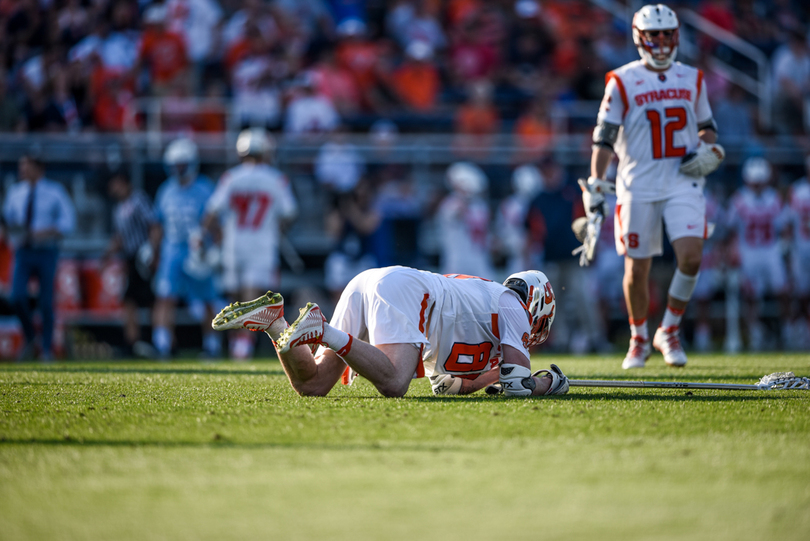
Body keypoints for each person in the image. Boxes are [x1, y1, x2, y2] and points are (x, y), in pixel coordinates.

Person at [583, 4, 725, 369]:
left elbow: (707, 125)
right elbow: (604, 138)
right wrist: (598, 180)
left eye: (666, 34)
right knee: (637, 268)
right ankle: (639, 338)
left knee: (692, 256)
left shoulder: (692, 78)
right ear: (639, 37)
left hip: (682, 178)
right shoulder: (621, 79)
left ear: (676, 35)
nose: (661, 41)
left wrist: (709, 146)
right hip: (637, 182)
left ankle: (670, 329)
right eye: (653, 34)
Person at [211, 267, 569, 399]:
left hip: (380, 282)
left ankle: (275, 322)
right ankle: (321, 329)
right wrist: (550, 383)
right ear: (537, 305)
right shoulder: (511, 305)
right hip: (405, 289)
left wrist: (479, 382)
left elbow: (453, 384)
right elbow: (518, 385)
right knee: (395, 383)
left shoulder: (491, 304)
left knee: (314, 384)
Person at [202, 128, 298, 360]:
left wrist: (206, 236)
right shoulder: (276, 178)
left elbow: (212, 213)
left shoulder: (231, 177)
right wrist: (277, 227)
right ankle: (243, 345)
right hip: (262, 244)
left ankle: (238, 343)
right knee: (252, 297)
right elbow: (289, 213)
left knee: (234, 298)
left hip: (235, 244)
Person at [151, 137, 221, 359]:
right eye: (175, 165)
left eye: (182, 165)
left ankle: (211, 345)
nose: (179, 170)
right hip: (172, 248)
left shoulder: (204, 188)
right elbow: (158, 224)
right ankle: (162, 345)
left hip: (197, 251)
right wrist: (153, 250)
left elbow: (215, 221)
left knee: (206, 298)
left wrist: (216, 248)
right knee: (165, 297)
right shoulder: (166, 190)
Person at [2, 153, 75, 361]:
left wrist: (47, 231)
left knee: (45, 302)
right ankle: (30, 337)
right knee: (16, 297)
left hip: (46, 250)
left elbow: (68, 223)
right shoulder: (15, 192)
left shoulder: (55, 192)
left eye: (27, 166)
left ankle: (46, 350)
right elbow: (8, 220)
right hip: (22, 251)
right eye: (21, 166)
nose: (22, 170)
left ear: (39, 168)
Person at [726, 157, 790, 351]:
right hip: (749, 251)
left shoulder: (774, 198)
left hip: (771, 249)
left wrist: (785, 248)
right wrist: (733, 249)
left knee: (783, 291)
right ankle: (755, 332)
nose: (757, 186)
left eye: (760, 182)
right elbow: (731, 229)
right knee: (751, 295)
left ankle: (787, 330)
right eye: (755, 182)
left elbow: (785, 226)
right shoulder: (739, 200)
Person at [103, 171, 157, 358]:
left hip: (144, 256)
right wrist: (107, 256)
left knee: (151, 300)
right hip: (130, 258)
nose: (112, 189)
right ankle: (133, 342)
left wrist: (153, 250)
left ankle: (159, 341)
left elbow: (154, 225)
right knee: (129, 300)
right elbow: (120, 237)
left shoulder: (138, 201)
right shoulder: (118, 208)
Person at [436, 162, 494, 279]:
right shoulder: (451, 204)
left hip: (479, 256)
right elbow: (455, 215)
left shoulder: (480, 205)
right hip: (456, 258)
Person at [786, 155, 810, 349]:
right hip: (801, 248)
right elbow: (788, 222)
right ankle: (801, 329)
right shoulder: (797, 190)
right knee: (800, 293)